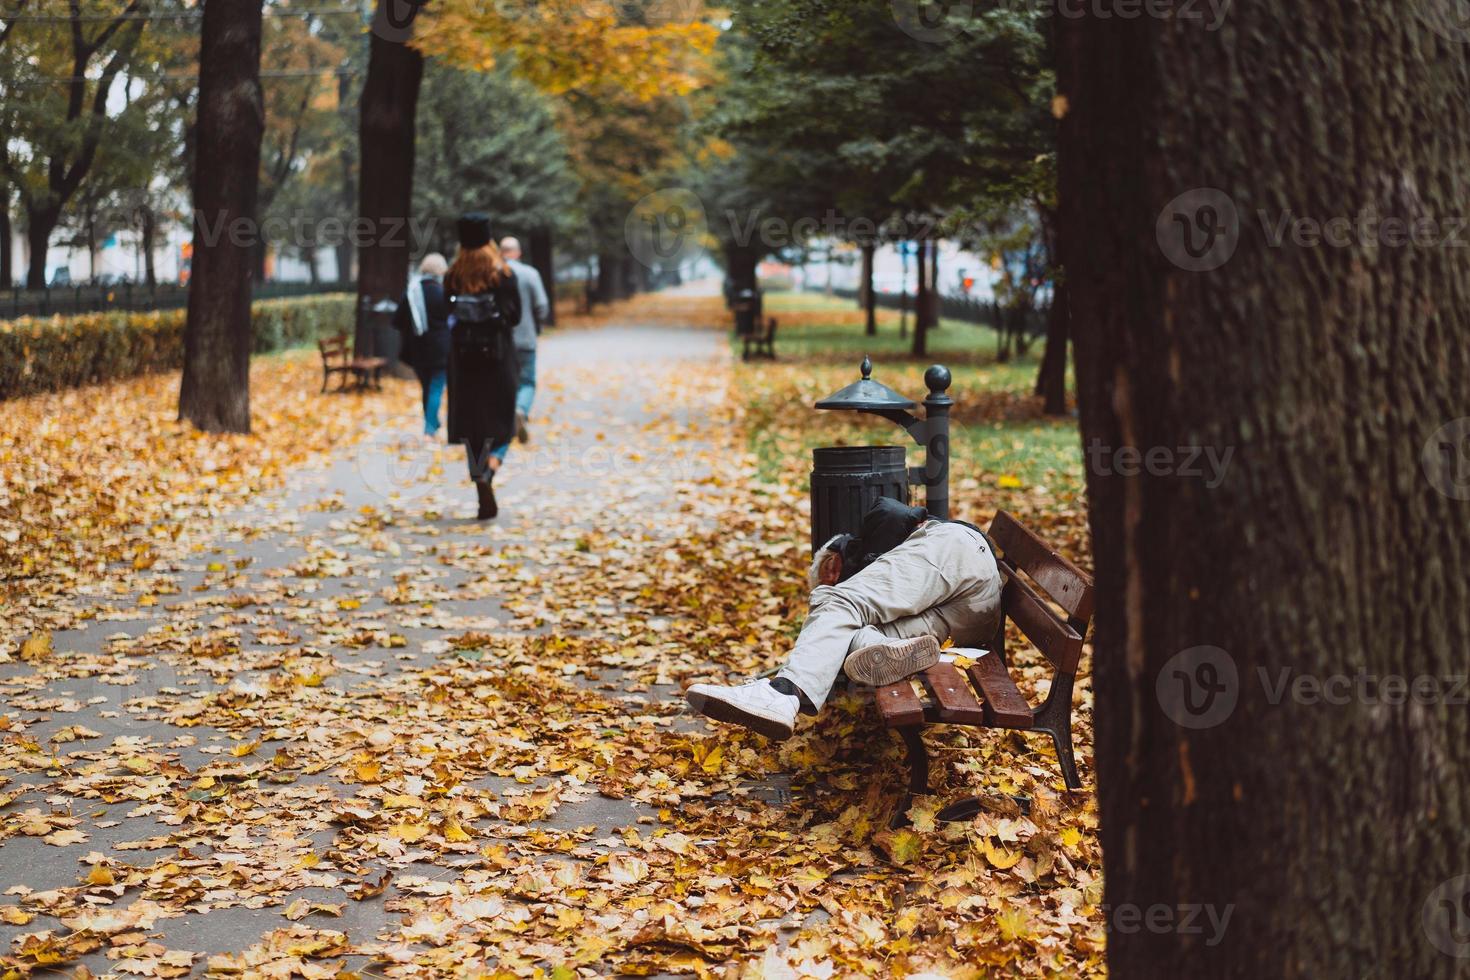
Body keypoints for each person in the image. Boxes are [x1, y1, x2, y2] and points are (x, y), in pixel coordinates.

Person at [685, 498, 1003, 740]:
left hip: (957, 553)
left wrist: (843, 581)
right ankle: (879, 644)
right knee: (851, 635)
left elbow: (893, 512)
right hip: (974, 615)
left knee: (839, 602)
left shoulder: (882, 526)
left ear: (834, 567)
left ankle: (782, 692)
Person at [445, 214, 522, 520]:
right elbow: (514, 317)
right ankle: (491, 469)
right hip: (498, 360)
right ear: (489, 240)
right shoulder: (502, 274)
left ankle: (479, 479)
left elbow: (444, 312)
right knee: (502, 423)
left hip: (464, 364)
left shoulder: (452, 276)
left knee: (471, 428)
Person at [497, 236, 550, 448]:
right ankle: (521, 410)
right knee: (527, 380)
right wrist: (536, 323)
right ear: (518, 253)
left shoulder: (494, 274)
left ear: (501, 252)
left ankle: (506, 418)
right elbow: (542, 305)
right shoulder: (530, 274)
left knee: (505, 380)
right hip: (526, 338)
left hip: (501, 340)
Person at [391, 253, 451, 438]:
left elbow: (397, 321)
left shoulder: (412, 292)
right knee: (436, 387)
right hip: (441, 348)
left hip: (417, 349)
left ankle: (432, 420)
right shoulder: (443, 292)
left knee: (427, 386)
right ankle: (430, 427)